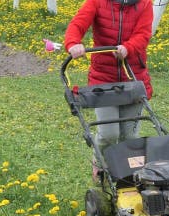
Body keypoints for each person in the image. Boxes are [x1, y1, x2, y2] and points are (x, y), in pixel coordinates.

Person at [64, 0, 154, 150]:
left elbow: (143, 34)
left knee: (130, 137)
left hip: (133, 78)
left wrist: (128, 48)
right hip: (103, 80)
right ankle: (101, 169)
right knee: (108, 135)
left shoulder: (144, 3)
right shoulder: (97, 2)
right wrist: (73, 43)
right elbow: (77, 24)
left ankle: (126, 172)